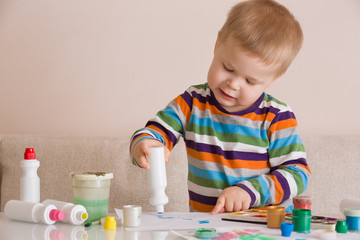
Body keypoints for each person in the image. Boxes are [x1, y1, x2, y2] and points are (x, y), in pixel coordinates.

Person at [130, 0, 311, 214]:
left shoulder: (277, 117)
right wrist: (144, 142)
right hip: (205, 228)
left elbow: (298, 173)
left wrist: (249, 192)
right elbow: (157, 132)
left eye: (250, 81)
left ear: (273, 79)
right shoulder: (192, 103)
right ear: (217, 45)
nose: (233, 84)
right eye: (228, 67)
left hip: (262, 229)